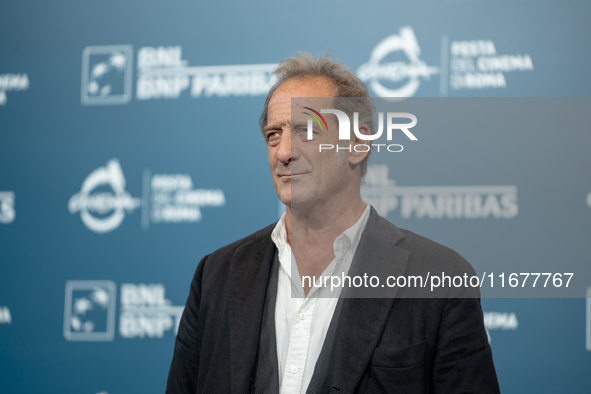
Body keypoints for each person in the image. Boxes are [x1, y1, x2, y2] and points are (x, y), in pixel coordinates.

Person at [166, 52, 500, 394]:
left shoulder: (438, 278)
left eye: (306, 130)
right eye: (273, 134)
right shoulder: (216, 275)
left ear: (357, 143)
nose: (283, 152)